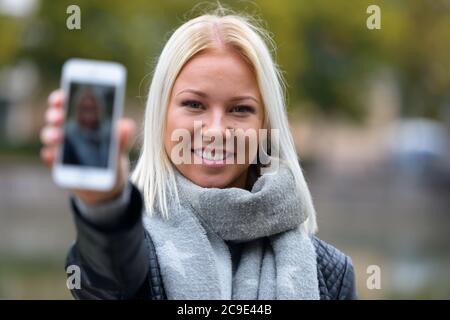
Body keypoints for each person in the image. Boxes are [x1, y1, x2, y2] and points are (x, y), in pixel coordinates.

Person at [40, 10, 356, 300]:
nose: (216, 131)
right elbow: (106, 279)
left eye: (240, 109)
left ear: (265, 124)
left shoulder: (332, 274)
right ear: (161, 114)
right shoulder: (131, 251)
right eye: (194, 104)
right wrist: (105, 205)